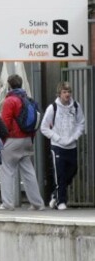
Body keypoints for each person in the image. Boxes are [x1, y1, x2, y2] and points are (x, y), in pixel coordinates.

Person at [0, 74, 45, 211]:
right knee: (28, 171)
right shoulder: (28, 99)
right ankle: (37, 203)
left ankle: (7, 204)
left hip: (13, 140)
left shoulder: (10, 101)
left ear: (9, 85)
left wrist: (2, 140)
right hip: (27, 140)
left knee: (6, 170)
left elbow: (5, 124)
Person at [40, 81, 85, 210]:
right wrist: (57, 138)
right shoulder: (52, 108)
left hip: (71, 145)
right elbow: (44, 128)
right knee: (60, 173)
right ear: (59, 94)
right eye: (64, 92)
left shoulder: (76, 106)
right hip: (57, 146)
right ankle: (61, 201)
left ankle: (55, 194)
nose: (67, 94)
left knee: (72, 170)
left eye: (69, 92)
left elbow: (81, 123)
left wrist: (74, 137)